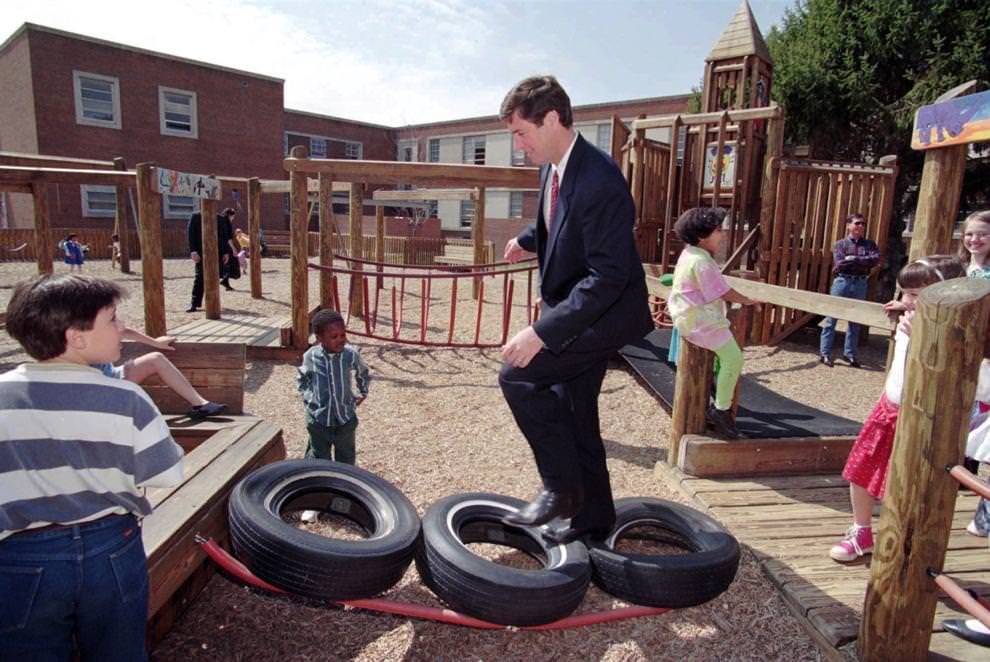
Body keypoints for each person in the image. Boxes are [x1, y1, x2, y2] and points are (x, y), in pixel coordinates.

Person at [497, 75, 653, 545]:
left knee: (519, 374)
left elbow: (608, 278)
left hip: (605, 314)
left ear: (551, 119)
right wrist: (526, 240)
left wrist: (542, 332)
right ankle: (594, 518)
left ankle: (561, 488)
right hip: (576, 305)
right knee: (576, 411)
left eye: (522, 133)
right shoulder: (554, 166)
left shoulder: (601, 180)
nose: (520, 146)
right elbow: (555, 216)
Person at [0, 273, 184, 661]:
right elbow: (167, 473)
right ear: (76, 336)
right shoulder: (126, 397)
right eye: (113, 320)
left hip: (21, 554)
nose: (122, 330)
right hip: (110, 547)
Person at [829, 255, 967, 563]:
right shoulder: (910, 318)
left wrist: (921, 336)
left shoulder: (951, 333)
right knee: (860, 471)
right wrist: (905, 308)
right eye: (904, 293)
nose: (907, 301)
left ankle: (905, 545)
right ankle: (861, 531)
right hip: (889, 407)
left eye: (916, 296)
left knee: (904, 484)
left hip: (920, 418)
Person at [667, 207, 761, 440]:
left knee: (721, 358)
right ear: (702, 236)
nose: (723, 234)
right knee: (733, 358)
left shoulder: (690, 254)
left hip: (689, 317)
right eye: (718, 230)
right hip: (700, 321)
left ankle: (715, 394)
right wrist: (748, 300)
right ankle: (721, 411)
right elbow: (723, 290)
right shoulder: (702, 262)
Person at [296, 310, 369, 523]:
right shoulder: (311, 356)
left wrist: (362, 393)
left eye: (342, 335)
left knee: (346, 458)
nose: (340, 340)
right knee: (319, 458)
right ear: (319, 339)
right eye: (334, 337)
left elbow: (363, 371)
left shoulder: (350, 354)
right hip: (319, 420)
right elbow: (302, 379)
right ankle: (316, 501)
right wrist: (311, 402)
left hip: (345, 418)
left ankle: (344, 497)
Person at [92, 327, 226, 420]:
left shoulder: (102, 318)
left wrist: (155, 343)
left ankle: (201, 405)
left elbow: (123, 330)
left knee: (156, 358)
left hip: (112, 375)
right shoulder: (77, 329)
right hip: (95, 388)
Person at [958, 210, 990, 538]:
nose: (974, 240)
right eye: (969, 234)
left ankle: (985, 517)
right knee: (964, 430)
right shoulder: (964, 269)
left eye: (982, 234)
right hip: (968, 363)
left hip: (986, 362)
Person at [819, 213, 881, 367]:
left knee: (855, 320)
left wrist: (853, 259)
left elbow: (875, 259)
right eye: (857, 223)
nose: (860, 226)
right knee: (831, 319)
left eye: (863, 224)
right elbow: (840, 264)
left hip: (860, 283)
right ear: (848, 225)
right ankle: (825, 353)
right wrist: (862, 261)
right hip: (842, 281)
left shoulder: (870, 245)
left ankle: (850, 354)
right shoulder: (841, 244)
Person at [186, 211, 233, 312]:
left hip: (217, 252)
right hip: (201, 252)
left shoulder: (219, 219)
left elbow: (224, 236)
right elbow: (191, 234)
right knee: (199, 278)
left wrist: (226, 252)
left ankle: (213, 303)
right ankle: (194, 303)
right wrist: (193, 251)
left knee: (215, 277)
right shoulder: (196, 216)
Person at [217, 208, 239, 289]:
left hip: (220, 245)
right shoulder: (227, 223)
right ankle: (225, 281)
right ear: (230, 215)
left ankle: (225, 281)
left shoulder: (219, 221)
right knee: (229, 264)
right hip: (226, 247)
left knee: (226, 264)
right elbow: (228, 238)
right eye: (233, 216)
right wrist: (233, 248)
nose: (233, 218)